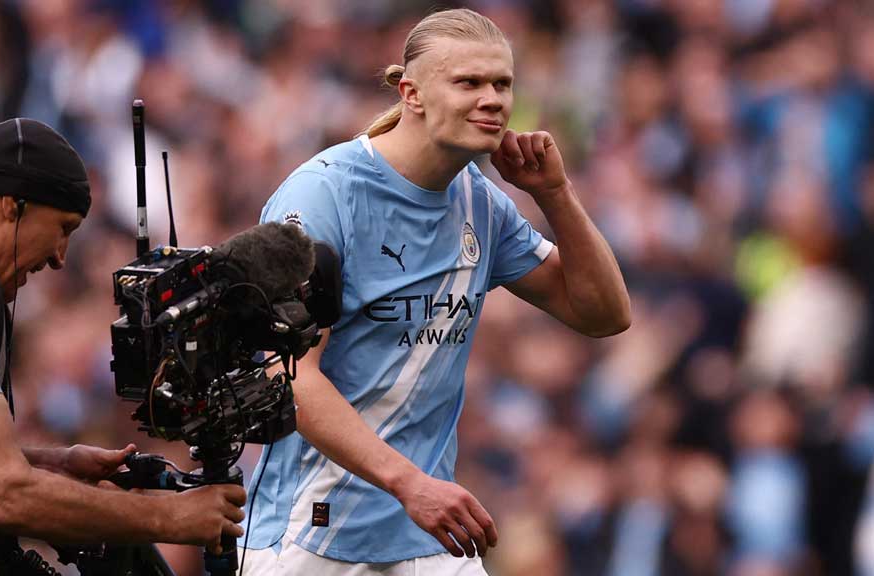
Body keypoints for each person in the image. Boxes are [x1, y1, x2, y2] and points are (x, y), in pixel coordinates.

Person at [241, 8, 631, 576]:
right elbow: (289, 375)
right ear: (412, 93)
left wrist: (555, 193)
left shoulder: (482, 203)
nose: (493, 99)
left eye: (502, 84)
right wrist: (410, 484)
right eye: (469, 82)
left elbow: (604, 315)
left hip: (427, 536)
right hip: (309, 534)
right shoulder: (323, 195)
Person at [0, 118, 246, 575]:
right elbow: (1, 493)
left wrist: (53, 465)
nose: (59, 258)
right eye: (63, 227)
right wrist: (171, 517)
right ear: (12, 205)